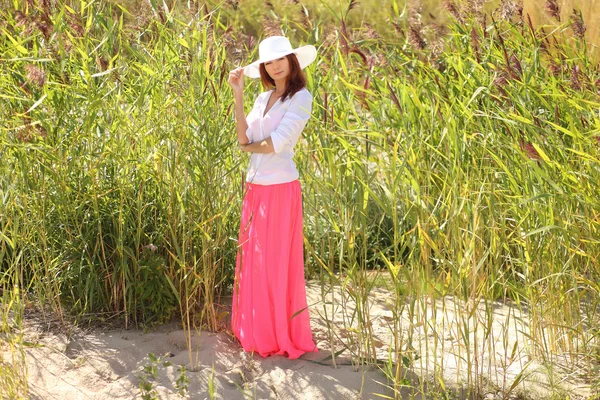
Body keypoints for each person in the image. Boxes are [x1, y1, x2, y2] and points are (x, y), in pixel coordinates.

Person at [227, 35, 319, 359]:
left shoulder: (301, 97)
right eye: (269, 61)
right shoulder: (261, 98)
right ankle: (254, 332)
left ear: (292, 61)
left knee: (277, 264)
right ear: (264, 67)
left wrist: (249, 147)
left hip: (280, 188)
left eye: (281, 58)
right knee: (254, 262)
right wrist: (238, 95)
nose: (275, 65)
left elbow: (278, 142)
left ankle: (280, 335)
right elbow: (244, 136)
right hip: (254, 187)